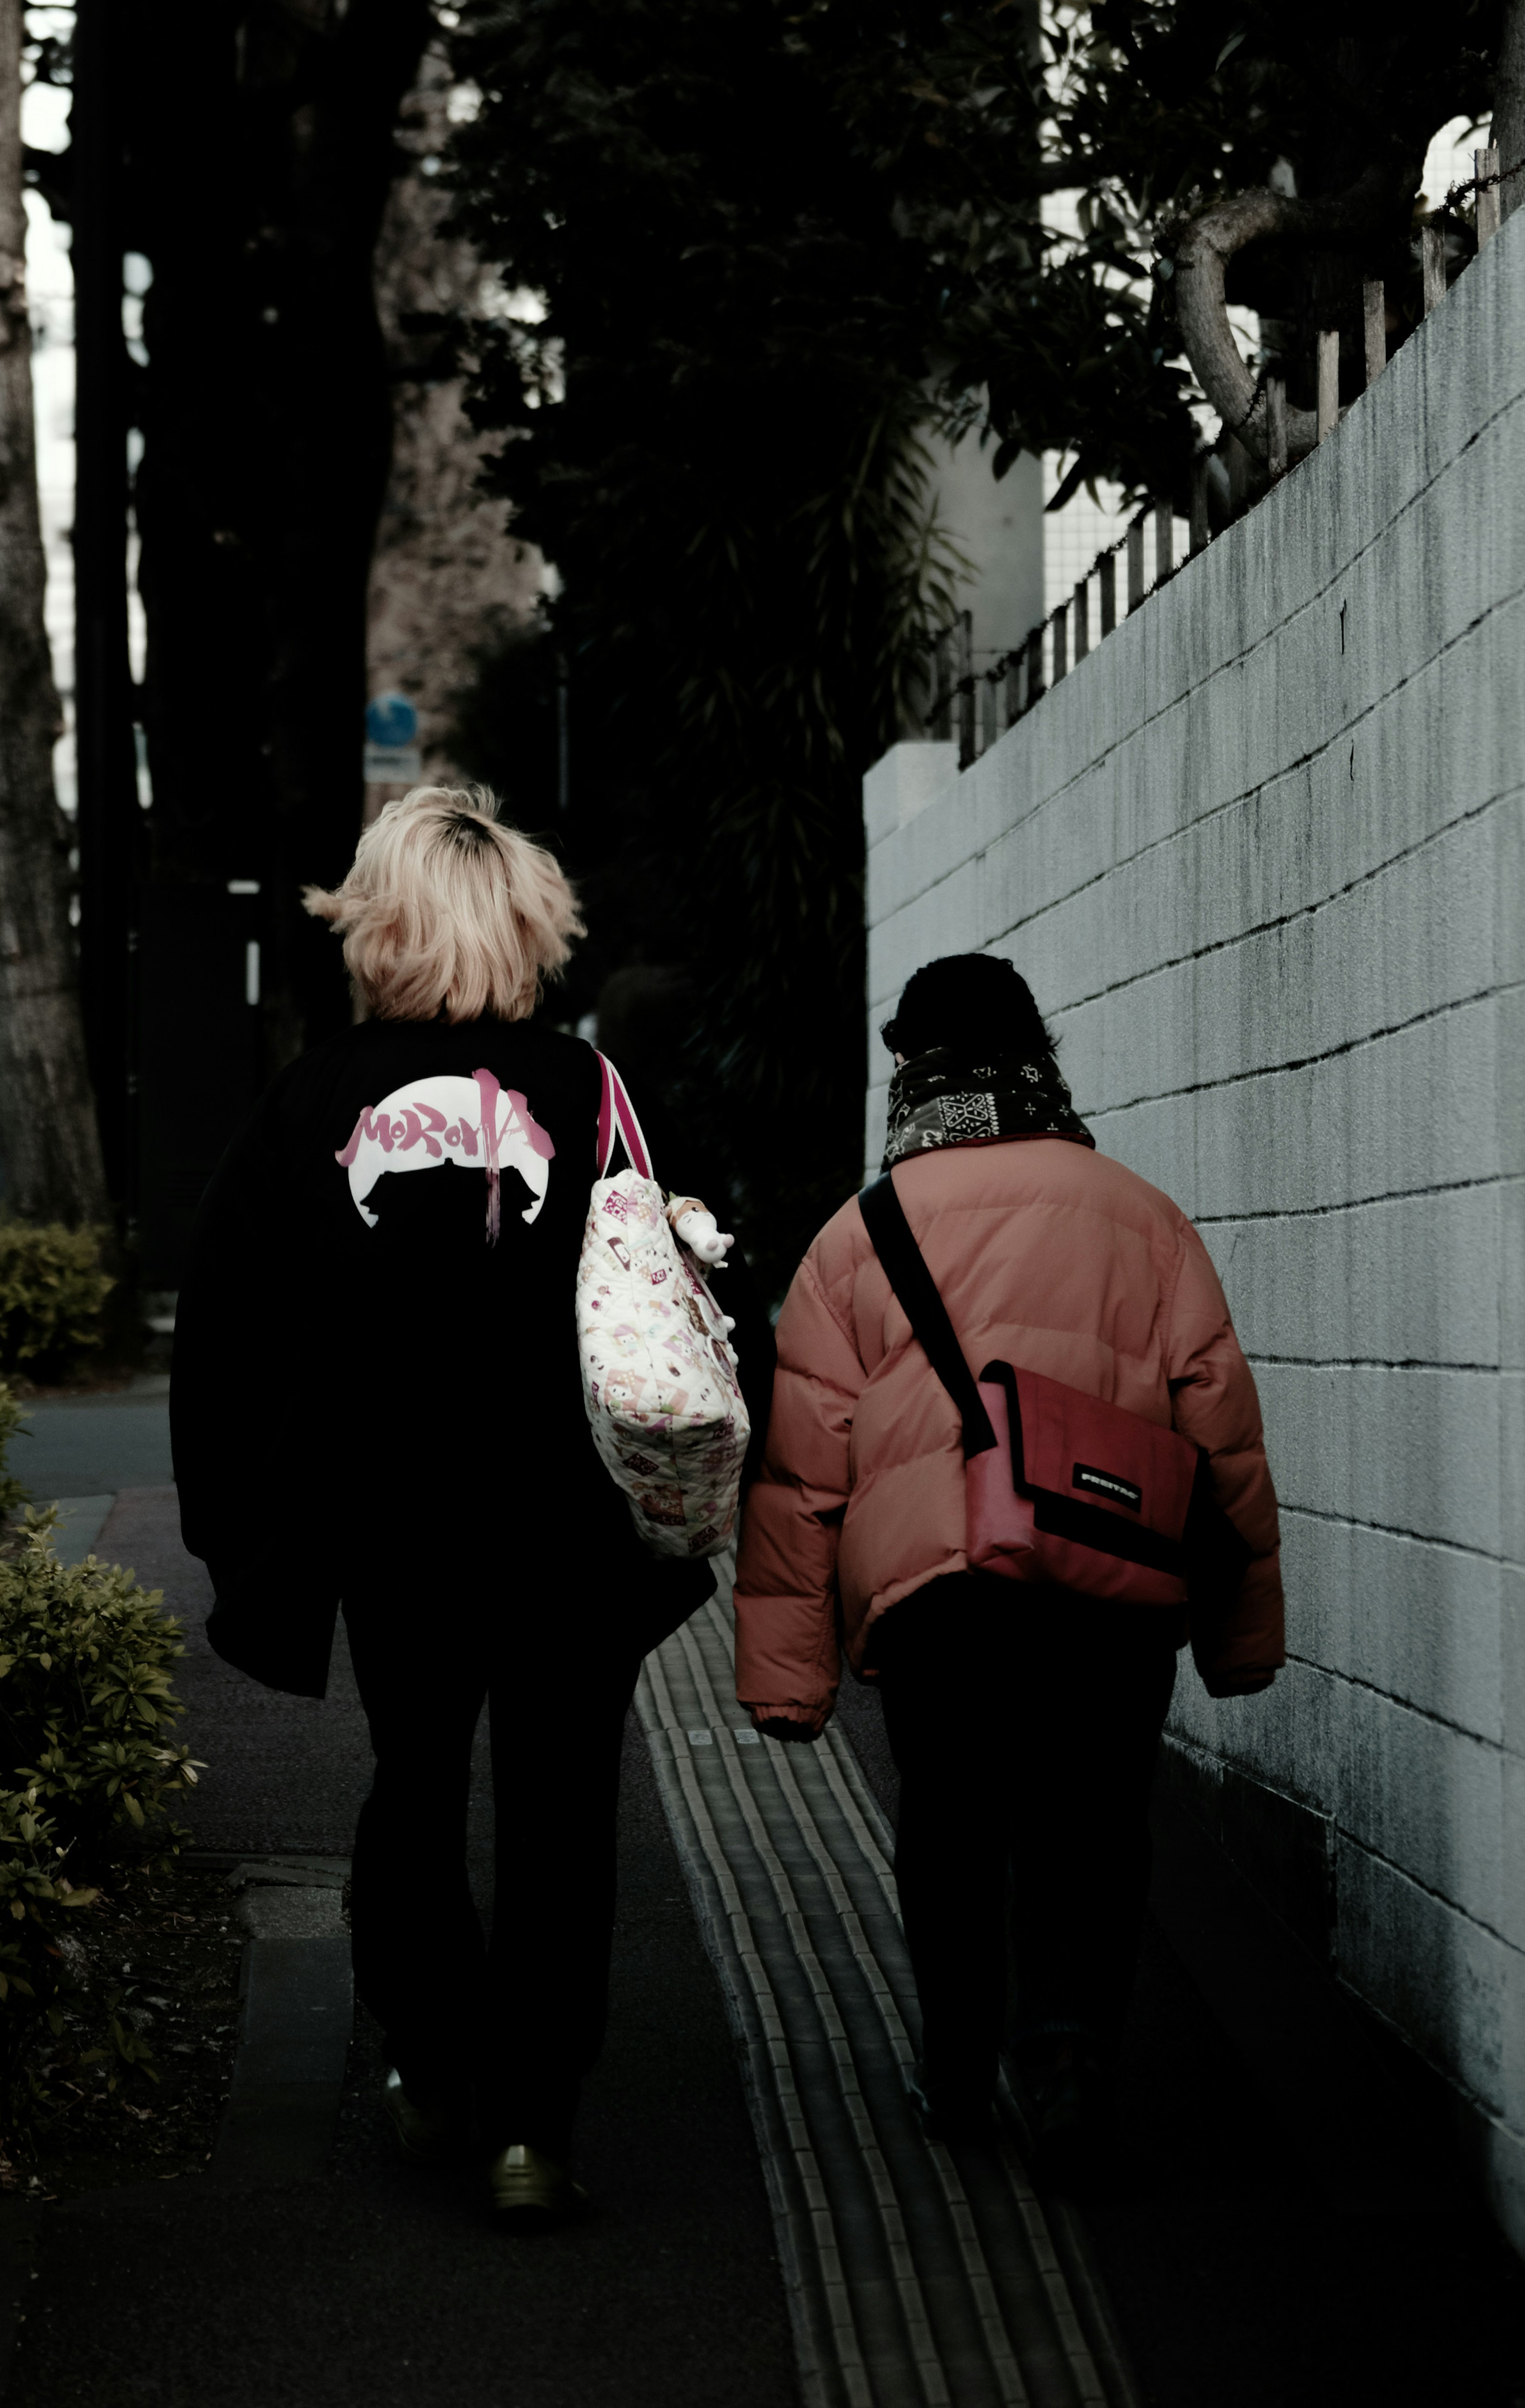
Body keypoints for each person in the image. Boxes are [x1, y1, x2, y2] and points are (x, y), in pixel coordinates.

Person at [170, 785, 773, 2230]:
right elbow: (696, 1289)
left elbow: (228, 1327)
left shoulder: (313, 1100)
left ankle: (434, 2067)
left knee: (417, 1774)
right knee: (565, 1803)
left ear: (376, 927)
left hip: (393, 1520)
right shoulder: (598, 1096)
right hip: (570, 1520)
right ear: (528, 928)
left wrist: (236, 1522)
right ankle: (537, 2131)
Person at [734, 951, 1282, 2173]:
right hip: (1117, 1584)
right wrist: (1241, 1636)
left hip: (942, 1597)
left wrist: (788, 1679)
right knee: (1093, 1819)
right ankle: (1071, 2055)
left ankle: (955, 2066)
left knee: (951, 1823)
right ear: (1041, 1056)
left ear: (911, 1073)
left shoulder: (855, 1237)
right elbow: (1224, 1435)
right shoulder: (1143, 1216)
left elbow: (801, 1475)